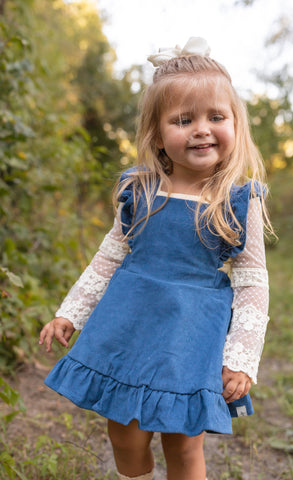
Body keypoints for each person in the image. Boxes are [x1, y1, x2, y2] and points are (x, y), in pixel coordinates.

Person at [39, 37, 271, 480]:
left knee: (183, 443)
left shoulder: (238, 200)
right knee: (124, 434)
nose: (202, 129)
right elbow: (107, 259)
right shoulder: (139, 191)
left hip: (190, 334)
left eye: (215, 117)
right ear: (158, 134)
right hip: (128, 327)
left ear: (235, 125)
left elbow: (252, 282)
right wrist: (71, 313)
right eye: (184, 120)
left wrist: (241, 357)